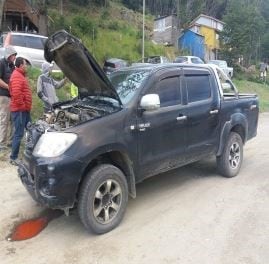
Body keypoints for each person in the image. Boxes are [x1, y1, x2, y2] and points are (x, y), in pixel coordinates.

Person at [9, 57, 32, 165]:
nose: (26, 66)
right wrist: (23, 106)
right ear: (20, 65)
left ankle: (30, 153)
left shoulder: (20, 75)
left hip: (24, 110)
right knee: (19, 133)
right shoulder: (17, 76)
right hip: (20, 110)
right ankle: (13, 157)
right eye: (25, 64)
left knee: (30, 129)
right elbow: (16, 94)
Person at [0, 45, 17, 152]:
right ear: (9, 55)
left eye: (15, 55)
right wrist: (8, 87)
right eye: (13, 55)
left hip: (12, 97)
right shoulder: (1, 63)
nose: (15, 57)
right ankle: (1, 143)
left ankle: (10, 142)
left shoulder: (12, 66)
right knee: (3, 120)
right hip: (3, 96)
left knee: (13, 120)